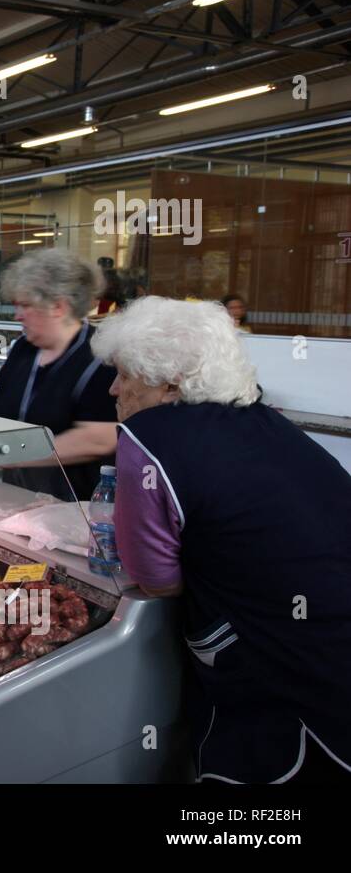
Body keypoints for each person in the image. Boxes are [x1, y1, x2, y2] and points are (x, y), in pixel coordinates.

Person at [92, 297, 351, 783]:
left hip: (272, 657)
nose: (112, 389)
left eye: (124, 375)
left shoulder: (149, 436)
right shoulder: (263, 418)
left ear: (169, 384)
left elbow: (156, 580)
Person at [0, 248, 117, 501]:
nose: (18, 315)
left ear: (58, 306)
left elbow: (100, 439)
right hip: (12, 496)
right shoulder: (23, 350)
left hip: (71, 508)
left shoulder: (99, 356)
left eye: (25, 306)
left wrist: (9, 454)